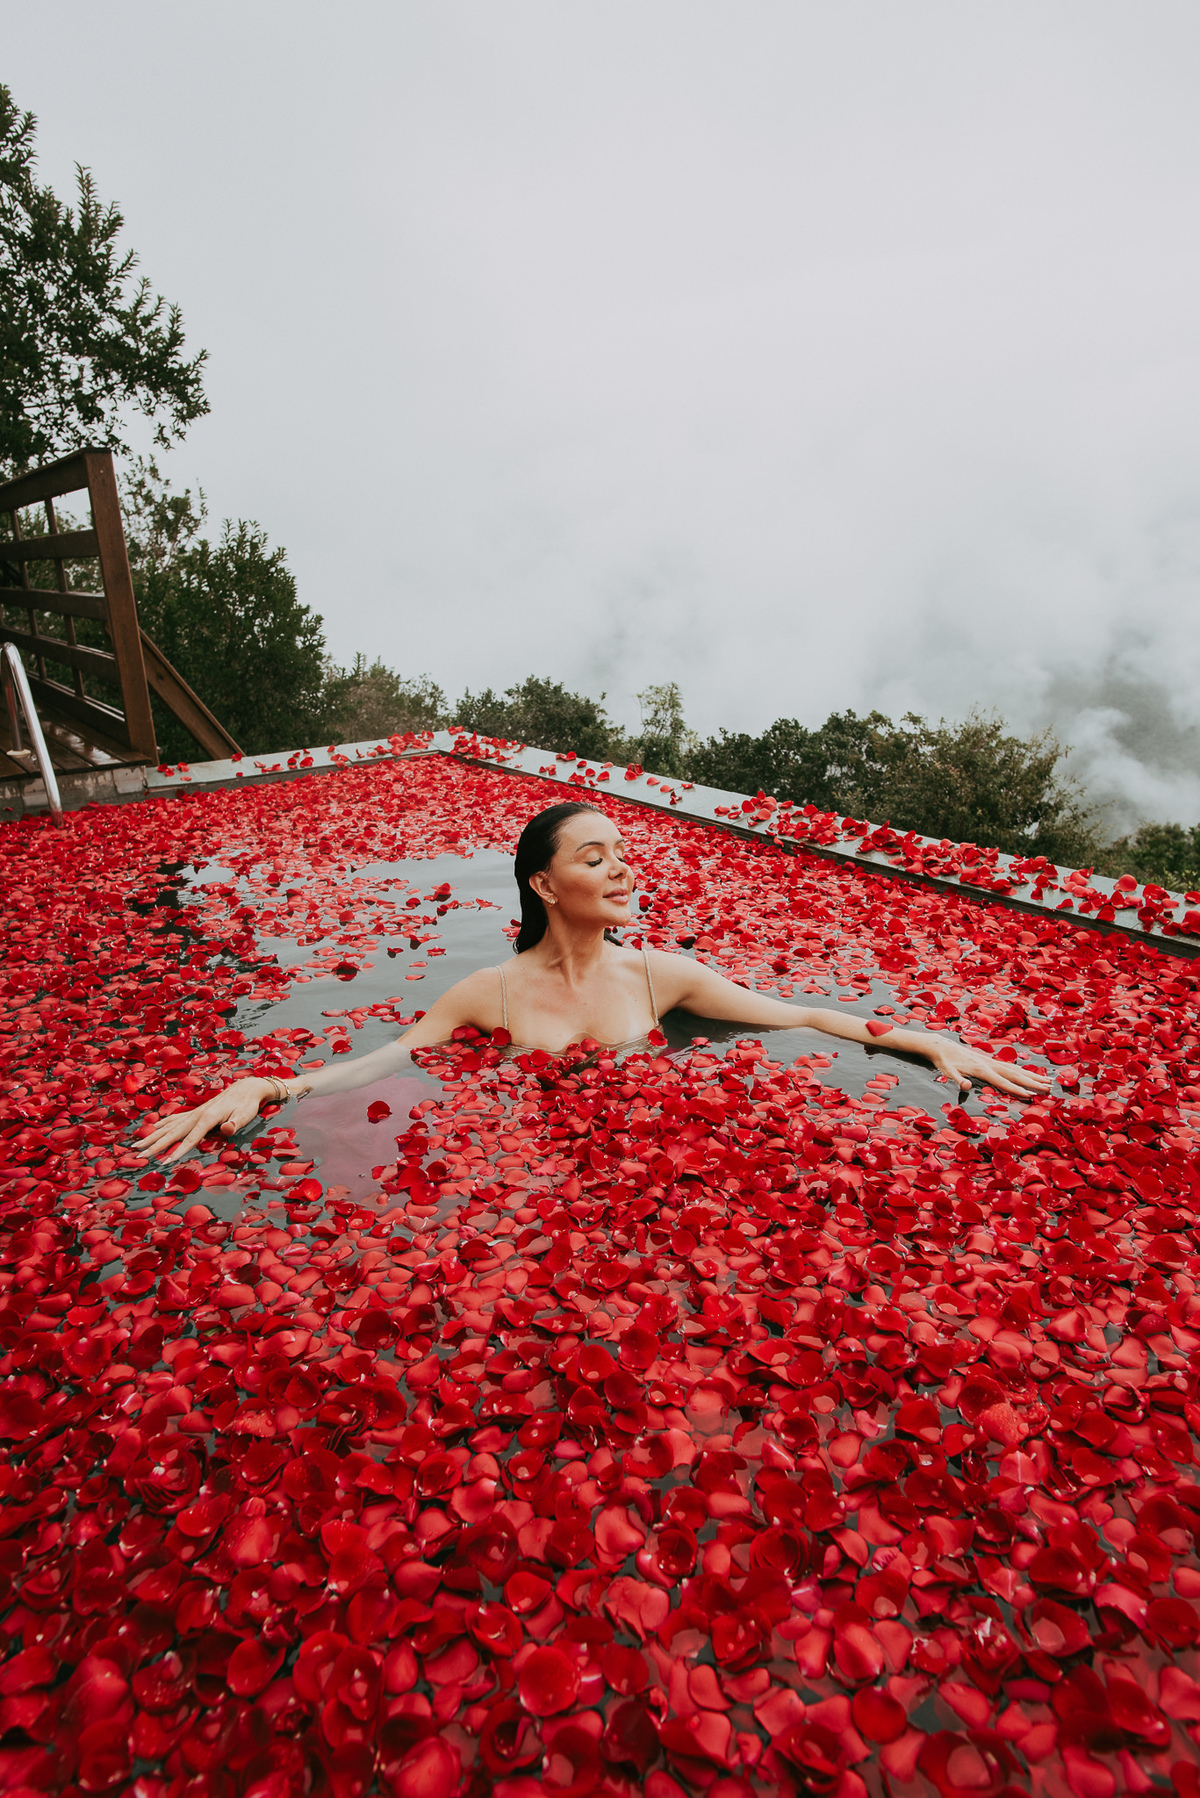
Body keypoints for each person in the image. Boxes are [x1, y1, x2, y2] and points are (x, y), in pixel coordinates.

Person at [138, 800, 1052, 1164]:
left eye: (624, 855)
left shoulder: (663, 977)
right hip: (530, 1168)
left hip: (648, 1162)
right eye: (595, 857)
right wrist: (272, 1083)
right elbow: (389, 1061)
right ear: (544, 884)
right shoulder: (486, 995)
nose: (623, 871)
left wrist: (923, 1038)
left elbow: (802, 1016)